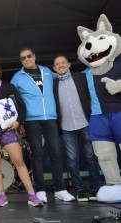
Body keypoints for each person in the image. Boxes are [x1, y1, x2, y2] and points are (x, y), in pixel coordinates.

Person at [0, 60, 42, 207]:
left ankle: (32, 195)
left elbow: (21, 106)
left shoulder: (9, 87)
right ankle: (1, 195)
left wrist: (18, 122)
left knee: (18, 160)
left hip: (8, 128)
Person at [11, 48, 75, 203]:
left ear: (34, 56)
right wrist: (19, 120)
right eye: (23, 58)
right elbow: (12, 100)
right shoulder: (17, 77)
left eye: (29, 56)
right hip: (31, 120)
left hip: (51, 118)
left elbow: (64, 78)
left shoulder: (47, 71)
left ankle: (60, 189)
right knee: (37, 155)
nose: (26, 59)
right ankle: (40, 191)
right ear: (21, 61)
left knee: (56, 153)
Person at [52, 55, 100, 201]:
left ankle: (95, 188)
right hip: (66, 127)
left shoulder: (81, 77)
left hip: (85, 122)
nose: (60, 65)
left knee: (91, 157)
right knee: (72, 160)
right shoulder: (53, 84)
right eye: (57, 64)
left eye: (63, 62)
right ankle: (79, 189)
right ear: (54, 68)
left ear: (69, 64)